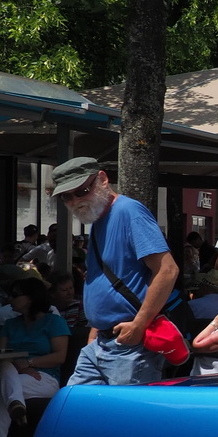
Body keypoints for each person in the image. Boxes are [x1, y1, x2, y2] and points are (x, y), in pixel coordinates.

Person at [53, 157, 180, 388]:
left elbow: (167, 270)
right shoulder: (98, 218)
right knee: (75, 411)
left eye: (82, 190)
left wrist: (139, 325)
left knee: (127, 421)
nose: (75, 200)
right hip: (102, 341)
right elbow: (105, 279)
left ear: (102, 178)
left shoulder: (128, 211)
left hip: (129, 344)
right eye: (67, 196)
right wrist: (95, 328)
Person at [0, 278, 69, 437]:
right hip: (13, 374)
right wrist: (18, 365)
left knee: (0, 390)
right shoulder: (10, 325)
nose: (10, 299)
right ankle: (15, 404)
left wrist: (29, 362)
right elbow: (2, 356)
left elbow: (60, 356)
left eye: (15, 295)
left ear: (31, 298)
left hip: (43, 377)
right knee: (4, 369)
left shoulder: (54, 322)